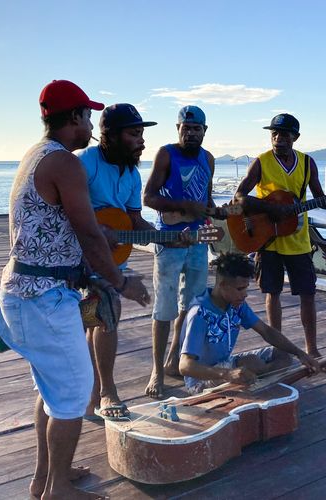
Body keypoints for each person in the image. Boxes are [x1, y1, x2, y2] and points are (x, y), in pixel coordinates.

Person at [0, 80, 149, 499]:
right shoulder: (65, 163)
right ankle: (58, 489)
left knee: (53, 392)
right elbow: (89, 234)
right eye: (88, 116)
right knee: (74, 394)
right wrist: (121, 282)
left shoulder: (35, 155)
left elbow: (77, 232)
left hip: (27, 293)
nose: (92, 125)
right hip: (40, 297)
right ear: (74, 117)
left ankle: (44, 478)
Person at [234, 113, 326, 359]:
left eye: (284, 134)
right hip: (268, 239)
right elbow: (239, 197)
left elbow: (319, 197)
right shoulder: (261, 162)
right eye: (274, 133)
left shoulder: (307, 163)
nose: (278, 138)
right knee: (272, 293)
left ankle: (312, 348)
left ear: (295, 137)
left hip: (298, 240)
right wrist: (270, 209)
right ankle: (278, 348)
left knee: (308, 294)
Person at [75, 103, 158, 421]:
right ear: (109, 135)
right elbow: (65, 211)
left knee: (96, 320)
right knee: (105, 313)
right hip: (78, 258)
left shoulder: (132, 174)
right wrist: (99, 231)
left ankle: (93, 394)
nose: (142, 141)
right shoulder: (85, 163)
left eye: (142, 134)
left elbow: (135, 221)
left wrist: (166, 236)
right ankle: (106, 392)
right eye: (134, 134)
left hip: (111, 261)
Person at [142, 105, 217, 398]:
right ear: (177, 129)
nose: (191, 133)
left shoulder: (208, 159)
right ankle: (156, 372)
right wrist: (184, 206)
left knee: (192, 305)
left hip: (198, 242)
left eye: (196, 128)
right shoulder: (166, 154)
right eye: (186, 128)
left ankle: (174, 359)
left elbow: (207, 201)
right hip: (169, 241)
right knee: (164, 307)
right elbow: (148, 197)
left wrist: (215, 212)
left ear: (204, 131)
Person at [179, 253, 319, 393]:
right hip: (200, 381)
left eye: (246, 288)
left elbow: (266, 331)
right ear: (222, 285)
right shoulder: (199, 314)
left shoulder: (237, 304)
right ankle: (262, 381)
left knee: (284, 354)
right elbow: (185, 366)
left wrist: (300, 353)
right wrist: (226, 374)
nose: (245, 294)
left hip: (227, 363)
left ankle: (258, 381)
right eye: (240, 289)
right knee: (252, 363)